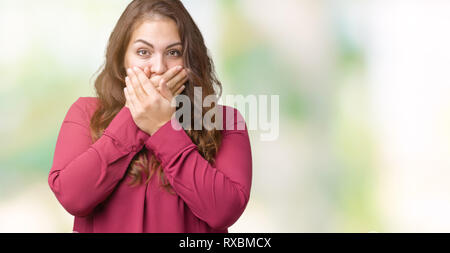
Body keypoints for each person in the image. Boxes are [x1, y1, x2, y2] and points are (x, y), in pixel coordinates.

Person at [48, 0, 252, 233]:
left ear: (190, 60)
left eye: (173, 52)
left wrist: (164, 126)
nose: (159, 67)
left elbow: (223, 211)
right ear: (122, 59)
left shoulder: (225, 122)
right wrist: (135, 117)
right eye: (143, 52)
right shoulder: (86, 114)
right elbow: (73, 197)